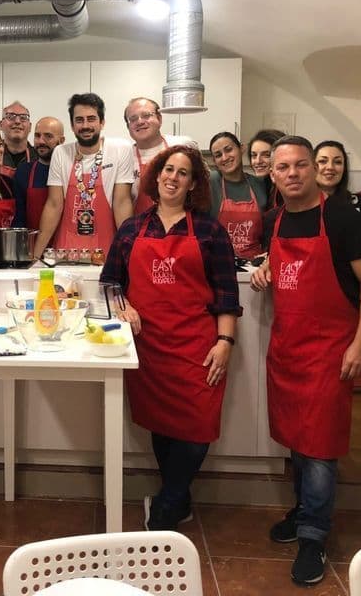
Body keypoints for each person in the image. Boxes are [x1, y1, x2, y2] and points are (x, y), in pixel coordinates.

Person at [251, 135, 361, 586]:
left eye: (300, 166)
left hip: (331, 348)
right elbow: (279, 262)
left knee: (321, 447)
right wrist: (265, 267)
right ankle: (304, 510)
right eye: (282, 167)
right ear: (272, 174)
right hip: (288, 347)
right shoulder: (274, 219)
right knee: (296, 438)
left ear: (314, 170)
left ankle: (314, 535)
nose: (292, 174)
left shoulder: (345, 216)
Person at [100, 144, 240, 531]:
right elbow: (110, 282)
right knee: (161, 425)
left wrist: (225, 342)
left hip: (198, 345)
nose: (172, 177)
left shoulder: (210, 230)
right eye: (167, 170)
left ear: (193, 183)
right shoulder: (132, 228)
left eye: (182, 172)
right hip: (148, 346)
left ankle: (167, 504)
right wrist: (122, 306)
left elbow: (228, 293)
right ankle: (177, 498)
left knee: (195, 429)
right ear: (156, 176)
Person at [34, 92, 135, 257]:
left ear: (102, 122)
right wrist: (35, 257)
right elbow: (54, 205)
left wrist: (128, 253)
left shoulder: (120, 150)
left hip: (107, 250)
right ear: (72, 126)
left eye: (91, 119)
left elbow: (122, 203)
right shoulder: (61, 153)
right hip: (66, 251)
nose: (85, 125)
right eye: (79, 120)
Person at [314, 140, 361, 281]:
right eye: (322, 161)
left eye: (337, 162)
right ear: (312, 166)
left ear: (344, 168)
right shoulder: (301, 208)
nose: (330, 167)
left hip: (355, 295)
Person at [124, 97, 192, 214]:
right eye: (133, 119)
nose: (140, 122)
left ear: (159, 119)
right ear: (128, 127)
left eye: (146, 115)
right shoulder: (124, 158)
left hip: (182, 225)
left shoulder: (183, 145)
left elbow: (202, 184)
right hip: (140, 228)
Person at [208, 132, 270, 259]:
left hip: (254, 267)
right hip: (218, 263)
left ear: (241, 148)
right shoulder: (210, 182)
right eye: (218, 155)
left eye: (229, 150)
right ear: (214, 161)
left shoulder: (261, 183)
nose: (225, 157)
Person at [13, 116, 65, 229]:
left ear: (61, 141)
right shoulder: (23, 171)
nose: (41, 141)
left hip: (65, 244)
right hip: (32, 243)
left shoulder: (71, 171)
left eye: (48, 136)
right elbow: (19, 218)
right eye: (37, 136)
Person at [248, 128, 285, 210]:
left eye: (266, 155)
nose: (258, 161)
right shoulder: (262, 184)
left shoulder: (285, 188)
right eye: (254, 155)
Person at [0, 100, 37, 178]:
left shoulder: (39, 158)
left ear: (30, 127)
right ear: (1, 125)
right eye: (10, 117)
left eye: (23, 117)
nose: (17, 121)